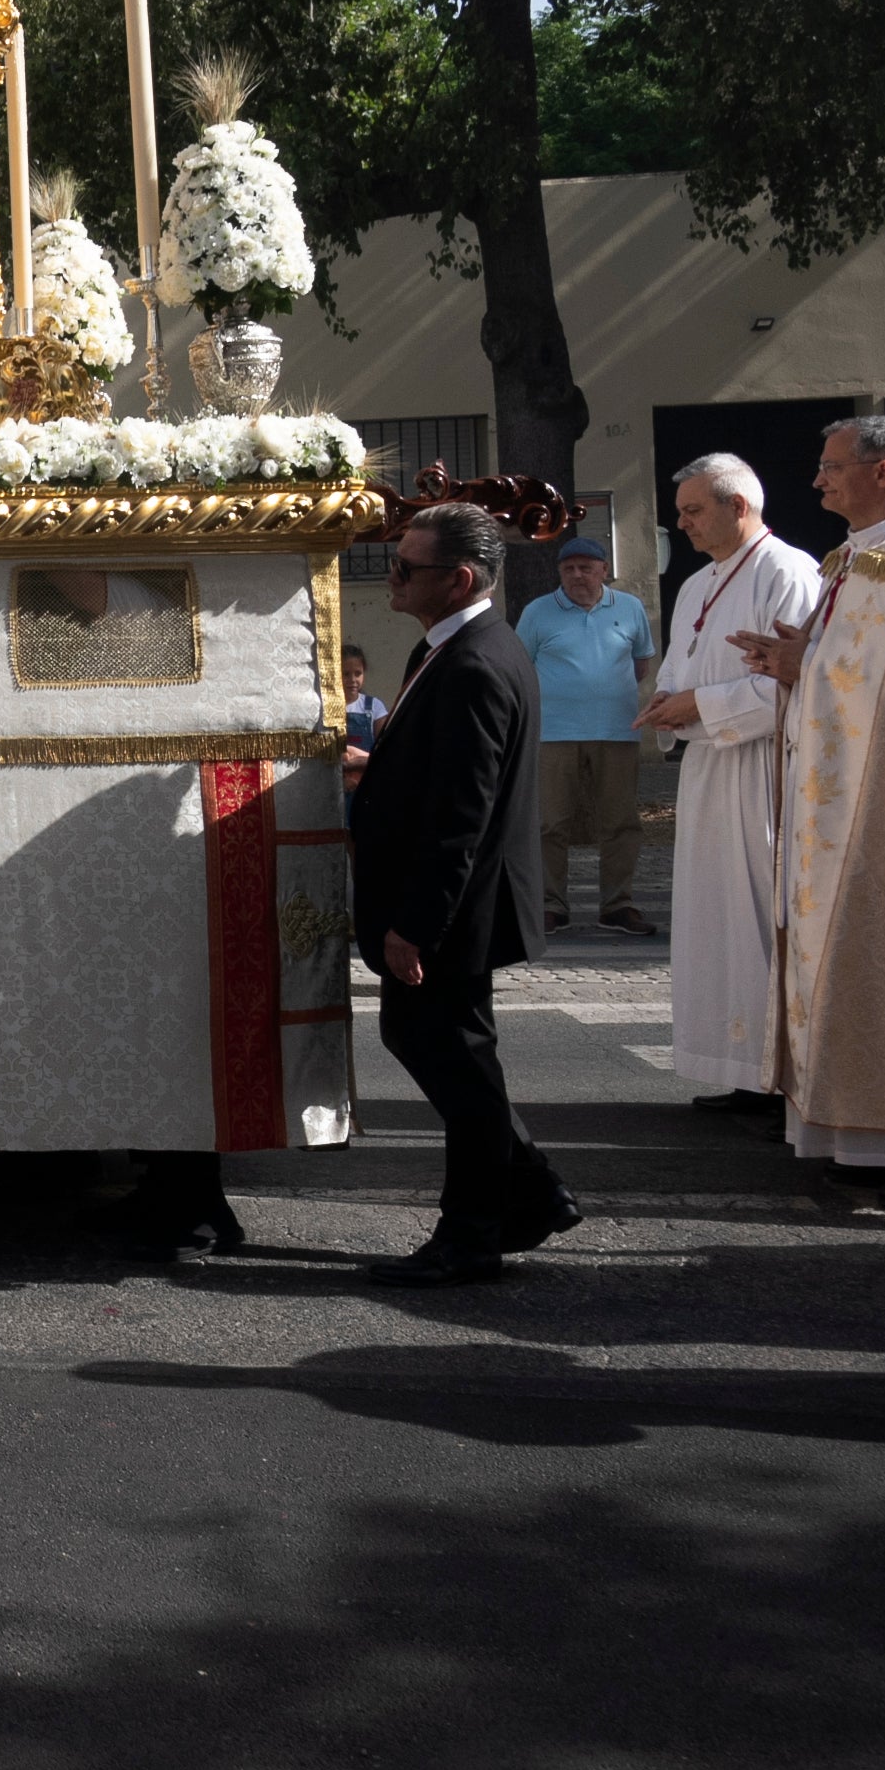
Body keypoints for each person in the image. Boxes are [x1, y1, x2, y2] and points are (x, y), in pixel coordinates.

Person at [731, 415, 885, 1212]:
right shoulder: (854, 560)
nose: (818, 480)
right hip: (836, 800)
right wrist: (800, 655)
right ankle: (845, 1128)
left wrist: (809, 663)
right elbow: (853, 667)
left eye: (833, 467)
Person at [354, 502, 579, 1284]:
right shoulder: (451, 649)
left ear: (459, 579)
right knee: (443, 1051)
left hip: (455, 907)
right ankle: (526, 1196)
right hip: (455, 902)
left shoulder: (476, 661)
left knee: (454, 1059)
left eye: (407, 567)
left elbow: (462, 815)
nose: (393, 577)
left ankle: (478, 1227)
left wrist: (416, 925)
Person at [638, 454, 820, 1114]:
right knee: (717, 923)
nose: (681, 523)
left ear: (738, 506)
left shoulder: (789, 572)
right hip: (708, 770)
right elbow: (677, 666)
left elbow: (792, 680)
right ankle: (745, 1069)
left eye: (692, 510)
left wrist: (700, 707)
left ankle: (785, 1079)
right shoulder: (696, 584)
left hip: (763, 771)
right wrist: (667, 701)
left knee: (762, 919)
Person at [516, 533, 659, 933]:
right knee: (549, 823)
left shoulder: (629, 608)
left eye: (586, 568)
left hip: (617, 731)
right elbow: (521, 668)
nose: (577, 575)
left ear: (604, 571)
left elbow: (640, 665)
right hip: (553, 734)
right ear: (559, 572)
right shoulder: (538, 612)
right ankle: (550, 905)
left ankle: (617, 905)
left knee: (620, 822)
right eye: (568, 569)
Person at [340, 646, 386, 795]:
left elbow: (384, 747)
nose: (352, 680)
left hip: (367, 781)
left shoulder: (374, 706)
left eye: (357, 673)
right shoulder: (328, 710)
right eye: (345, 674)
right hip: (338, 782)